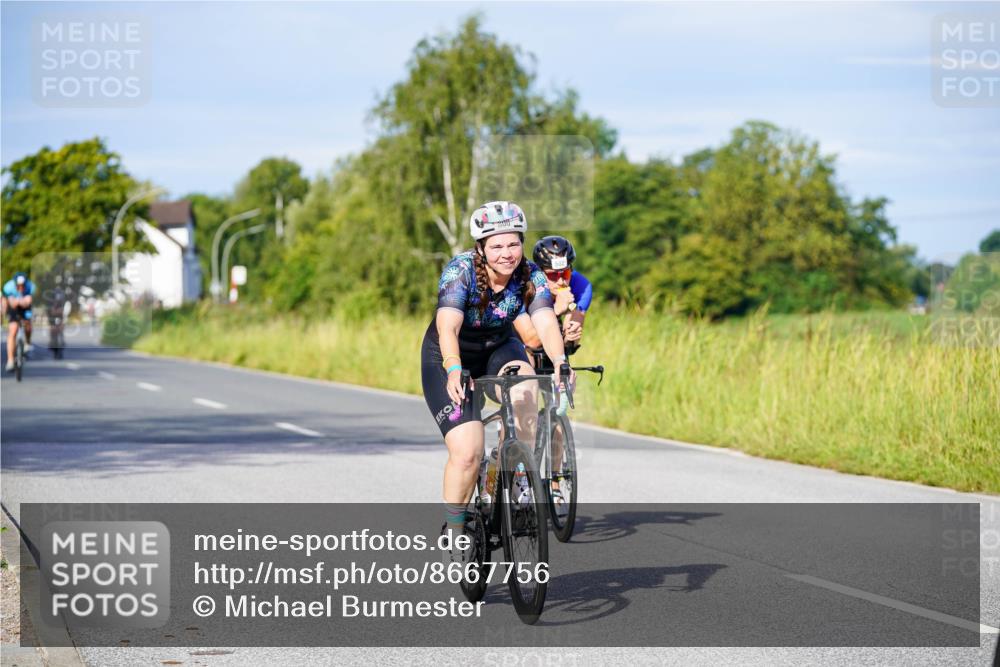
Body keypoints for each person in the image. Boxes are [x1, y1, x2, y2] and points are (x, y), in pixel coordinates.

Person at [421, 201, 573, 562]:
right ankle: (455, 529)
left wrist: (560, 362)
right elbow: (448, 327)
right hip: (450, 355)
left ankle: (516, 476)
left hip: (500, 347)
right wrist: (454, 368)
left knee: (527, 388)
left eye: (513, 244)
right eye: (497, 246)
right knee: (467, 452)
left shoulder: (530, 275)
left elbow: (545, 321)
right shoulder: (460, 272)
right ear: (481, 248)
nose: (507, 254)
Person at [514, 236, 593, 371]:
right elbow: (531, 342)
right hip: (519, 344)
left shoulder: (580, 285)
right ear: (539, 272)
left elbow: (570, 344)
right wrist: (555, 311)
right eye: (553, 276)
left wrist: (570, 338)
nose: (561, 281)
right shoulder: (522, 286)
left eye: (565, 274)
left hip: (550, 348)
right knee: (528, 361)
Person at [2, 272, 35, 372]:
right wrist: (5, 312)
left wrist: (21, 301)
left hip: (25, 307)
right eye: (18, 285)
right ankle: (10, 360)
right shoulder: (8, 287)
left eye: (22, 285)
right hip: (13, 308)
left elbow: (29, 301)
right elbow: (9, 302)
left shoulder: (30, 286)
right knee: (13, 330)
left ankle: (27, 343)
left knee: (28, 324)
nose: (20, 287)